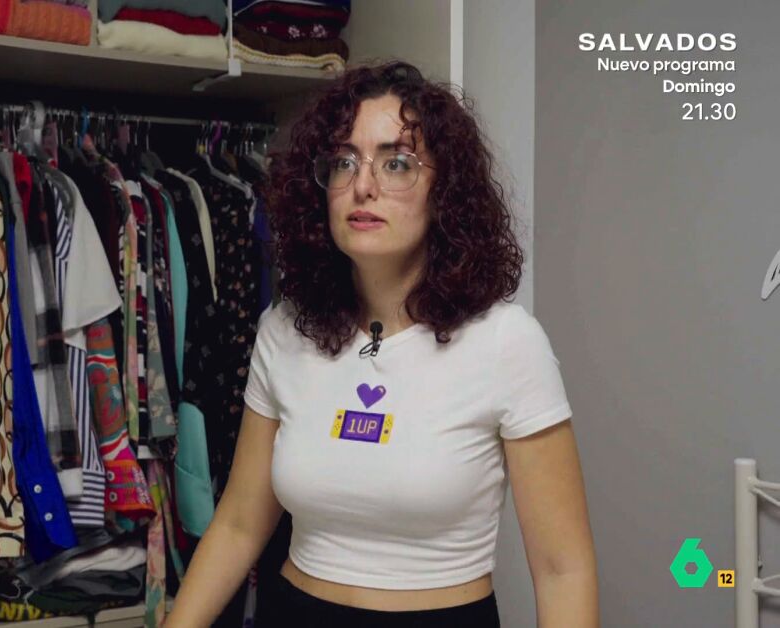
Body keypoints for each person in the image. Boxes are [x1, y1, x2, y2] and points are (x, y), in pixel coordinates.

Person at [165, 61, 599, 627]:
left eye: (396, 163)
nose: (363, 186)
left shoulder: (506, 342)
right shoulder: (284, 328)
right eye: (344, 162)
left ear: (445, 191)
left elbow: (563, 570)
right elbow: (239, 524)